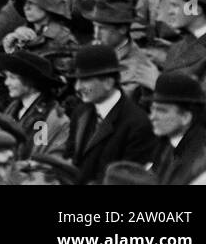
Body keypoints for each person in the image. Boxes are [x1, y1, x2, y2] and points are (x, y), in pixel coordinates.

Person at [63, 44, 157, 185]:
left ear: (108, 82)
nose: (77, 87)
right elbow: (70, 156)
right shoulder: (80, 112)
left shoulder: (137, 123)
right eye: (77, 80)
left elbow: (128, 180)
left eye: (85, 80)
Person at [148, 72, 206, 185]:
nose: (153, 117)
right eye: (152, 109)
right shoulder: (167, 143)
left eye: (162, 111)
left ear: (185, 117)